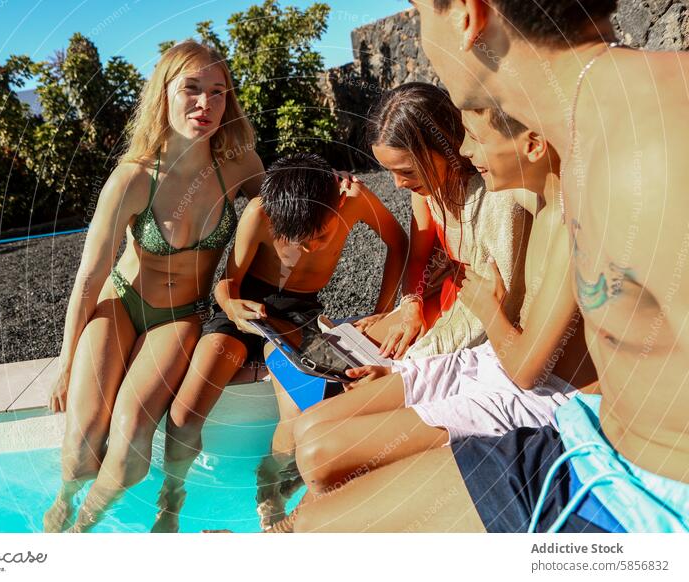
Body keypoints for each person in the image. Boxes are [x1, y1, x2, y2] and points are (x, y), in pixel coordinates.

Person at [292, 0, 689, 533]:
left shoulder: (651, 146)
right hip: (591, 442)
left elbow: (529, 363)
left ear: (465, 14)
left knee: (321, 524)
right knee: (315, 518)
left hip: (640, 502)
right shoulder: (584, 142)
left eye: (416, 9)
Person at [289, 107, 597, 505]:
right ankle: (290, 528)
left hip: (538, 393)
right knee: (309, 427)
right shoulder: (539, 199)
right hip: (489, 361)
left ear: (533, 145)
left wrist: (486, 311)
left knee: (319, 454)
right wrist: (408, 312)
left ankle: (287, 532)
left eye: (475, 138)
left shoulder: (566, 221)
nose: (464, 150)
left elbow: (526, 374)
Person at [42, 40, 264, 533]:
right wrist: (65, 364)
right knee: (81, 451)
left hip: (181, 315)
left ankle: (81, 528)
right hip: (119, 303)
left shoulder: (240, 167)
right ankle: (65, 499)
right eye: (191, 88)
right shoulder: (133, 178)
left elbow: (281, 221)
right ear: (163, 93)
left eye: (218, 92)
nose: (205, 104)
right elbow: (89, 278)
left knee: (131, 453)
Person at [154, 152, 407, 531]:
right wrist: (232, 308)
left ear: (337, 201)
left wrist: (385, 310)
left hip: (295, 318)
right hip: (243, 313)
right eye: (298, 241)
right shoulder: (260, 212)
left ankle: (268, 481)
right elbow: (228, 283)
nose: (310, 249)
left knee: (296, 420)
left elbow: (398, 241)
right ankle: (171, 498)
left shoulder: (354, 200)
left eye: (321, 236)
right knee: (185, 413)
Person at [354, 82, 529, 363]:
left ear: (445, 143)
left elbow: (501, 300)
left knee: (388, 363)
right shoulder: (425, 191)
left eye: (407, 171)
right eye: (390, 172)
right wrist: (410, 306)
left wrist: (417, 359)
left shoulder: (494, 197)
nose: (398, 184)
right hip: (447, 294)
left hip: (481, 313)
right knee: (363, 343)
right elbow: (418, 258)